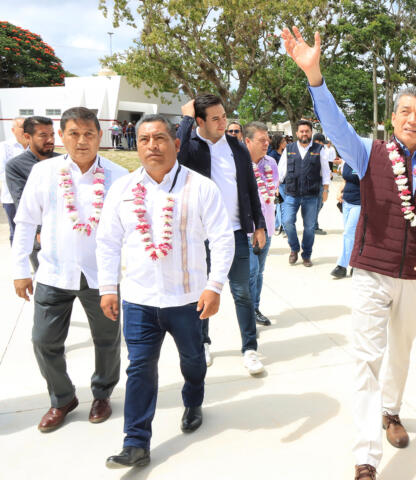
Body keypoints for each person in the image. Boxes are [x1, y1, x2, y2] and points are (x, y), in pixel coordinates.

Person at [282, 26, 416, 480]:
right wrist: (314, 75)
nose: (412, 118)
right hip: (372, 271)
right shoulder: (368, 153)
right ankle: (366, 457)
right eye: (405, 111)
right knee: (367, 360)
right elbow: (338, 128)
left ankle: (392, 410)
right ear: (394, 118)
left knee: (400, 353)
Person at [99, 114, 234, 468]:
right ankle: (136, 441)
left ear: (176, 144)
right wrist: (107, 287)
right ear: (136, 145)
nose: (151, 146)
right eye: (143, 140)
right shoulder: (123, 190)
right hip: (139, 299)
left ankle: (193, 400)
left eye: (159, 138)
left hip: (189, 299)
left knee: (192, 361)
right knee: (140, 367)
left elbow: (222, 239)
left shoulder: (200, 187)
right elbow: (108, 242)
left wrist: (215, 285)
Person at [11, 107, 128, 433]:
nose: (81, 141)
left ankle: (102, 393)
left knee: (107, 340)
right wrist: (21, 267)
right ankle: (62, 398)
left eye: (89, 134)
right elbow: (25, 222)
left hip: (101, 277)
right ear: (61, 136)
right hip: (53, 272)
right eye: (74, 134)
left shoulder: (119, 176)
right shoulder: (44, 173)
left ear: (99, 137)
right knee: (43, 340)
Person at [178, 95, 267, 375]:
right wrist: (185, 120)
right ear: (200, 121)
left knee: (242, 293)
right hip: (200, 235)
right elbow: (174, 158)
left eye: (224, 116)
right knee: (202, 293)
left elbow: (251, 187)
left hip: (236, 232)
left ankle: (250, 348)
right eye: (215, 118)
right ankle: (203, 342)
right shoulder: (190, 147)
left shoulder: (237, 148)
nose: (223, 122)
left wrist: (259, 225)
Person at [6, 116, 61, 272]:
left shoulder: (63, 161)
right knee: (47, 285)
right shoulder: (16, 166)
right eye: (43, 135)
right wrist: (39, 230)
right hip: (40, 238)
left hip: (66, 233)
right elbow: (21, 201)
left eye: (52, 135)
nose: (50, 139)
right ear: (27, 137)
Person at [278, 119, 331, 267]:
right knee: (287, 222)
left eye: (307, 131)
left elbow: (326, 172)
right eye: (301, 131)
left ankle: (306, 254)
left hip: (311, 195)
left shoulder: (320, 150)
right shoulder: (289, 149)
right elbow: (281, 171)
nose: (304, 133)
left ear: (311, 133)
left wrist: (326, 190)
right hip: (291, 194)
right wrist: (275, 186)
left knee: (309, 227)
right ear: (297, 133)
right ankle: (294, 248)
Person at [244, 121, 279, 326]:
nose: (267, 143)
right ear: (247, 141)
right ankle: (248, 313)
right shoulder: (238, 164)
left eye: (268, 139)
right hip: (247, 228)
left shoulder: (271, 163)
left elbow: (270, 192)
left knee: (259, 271)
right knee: (251, 271)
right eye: (261, 140)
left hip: (267, 226)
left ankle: (255, 307)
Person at [331, 159, 361, 279]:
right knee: (352, 235)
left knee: (348, 234)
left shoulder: (362, 163)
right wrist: (339, 192)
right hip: (346, 202)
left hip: (359, 203)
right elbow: (345, 180)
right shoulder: (347, 162)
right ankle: (357, 264)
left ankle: (342, 266)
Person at [1, 117, 29, 243]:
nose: (25, 130)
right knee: (16, 232)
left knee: (33, 232)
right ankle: (18, 262)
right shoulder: (5, 147)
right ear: (13, 130)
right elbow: (3, 172)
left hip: (32, 198)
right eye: (22, 127)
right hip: (11, 198)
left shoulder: (35, 147)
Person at [268, 133, 287, 234]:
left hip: (285, 183)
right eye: (284, 141)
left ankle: (276, 225)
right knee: (281, 205)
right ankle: (282, 227)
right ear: (279, 143)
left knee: (280, 205)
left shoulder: (284, 153)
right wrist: (276, 187)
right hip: (277, 185)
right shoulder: (272, 156)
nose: (286, 143)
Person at [312, 132, 330, 235]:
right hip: (317, 182)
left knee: (320, 204)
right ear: (316, 141)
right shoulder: (313, 151)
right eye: (322, 142)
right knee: (317, 205)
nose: (323, 144)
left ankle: (314, 224)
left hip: (322, 181)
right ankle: (313, 226)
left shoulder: (322, 150)